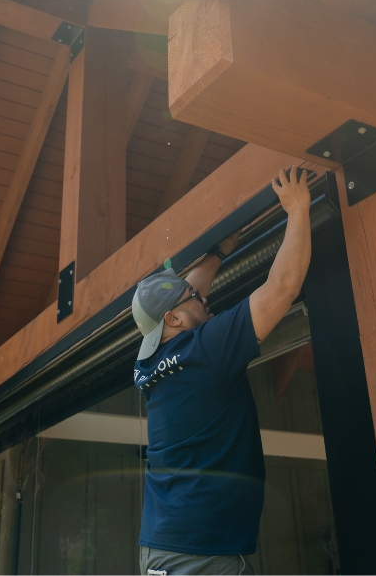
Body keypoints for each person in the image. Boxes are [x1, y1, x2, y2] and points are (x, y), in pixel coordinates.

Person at [133, 166, 312, 576]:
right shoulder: (207, 348)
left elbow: (185, 296)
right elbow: (283, 287)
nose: (203, 297)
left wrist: (217, 254)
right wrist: (298, 209)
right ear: (174, 320)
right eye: (194, 297)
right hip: (198, 554)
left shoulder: (147, 366)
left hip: (163, 547)